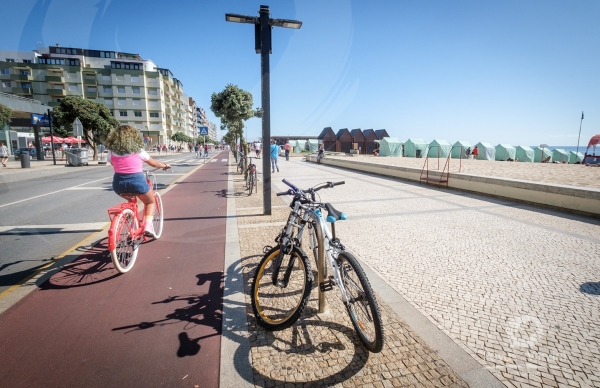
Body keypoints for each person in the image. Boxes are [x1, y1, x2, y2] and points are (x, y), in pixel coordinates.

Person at [107, 125, 171, 237]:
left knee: (131, 200)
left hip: (118, 185)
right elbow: (154, 163)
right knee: (150, 201)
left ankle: (130, 217)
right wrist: (165, 165)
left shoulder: (111, 152)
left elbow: (112, 163)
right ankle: (148, 226)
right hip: (137, 182)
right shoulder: (138, 151)